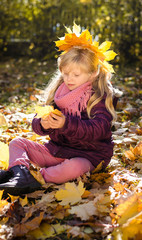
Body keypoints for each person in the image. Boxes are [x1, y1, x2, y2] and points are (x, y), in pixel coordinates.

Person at [0, 23, 122, 195]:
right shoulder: (59, 93)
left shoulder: (98, 96)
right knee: (17, 143)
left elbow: (99, 129)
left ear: (93, 73)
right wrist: (42, 123)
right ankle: (19, 173)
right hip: (57, 151)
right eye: (65, 73)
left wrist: (66, 124)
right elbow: (37, 124)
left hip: (88, 156)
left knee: (73, 167)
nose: (69, 79)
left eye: (76, 75)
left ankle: (35, 177)